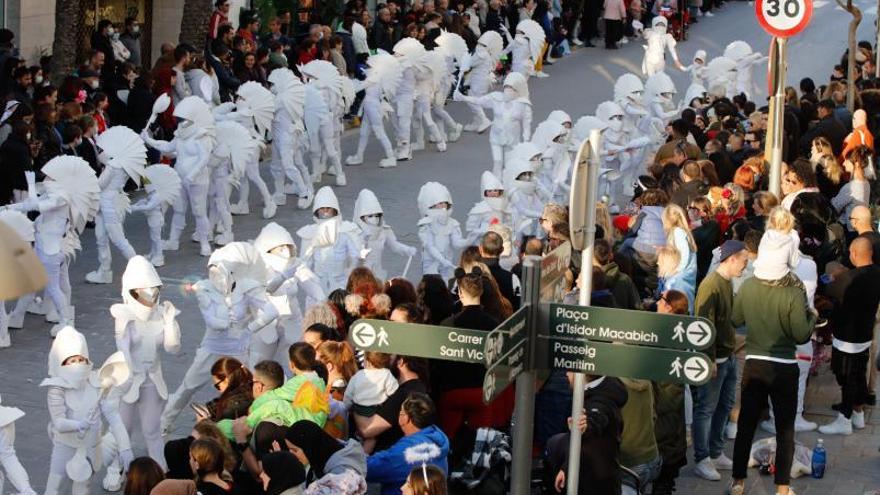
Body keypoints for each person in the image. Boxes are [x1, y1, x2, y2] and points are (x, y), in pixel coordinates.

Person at [729, 240, 817, 495]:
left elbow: (736, 319)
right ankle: (782, 488)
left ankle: (738, 482)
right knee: (785, 429)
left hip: (755, 363)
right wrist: (811, 315)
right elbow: (801, 335)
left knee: (746, 423)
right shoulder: (792, 292)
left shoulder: (748, 286)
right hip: (785, 367)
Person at [102, 256, 182, 490]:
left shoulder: (161, 314)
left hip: (152, 379)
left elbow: (173, 348)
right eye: (144, 294)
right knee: (122, 428)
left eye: (154, 293)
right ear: (131, 292)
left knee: (152, 429)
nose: (151, 299)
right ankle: (116, 468)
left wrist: (170, 324)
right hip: (127, 381)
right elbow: (123, 351)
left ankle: (159, 470)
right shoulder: (124, 316)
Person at [42, 326, 134, 494]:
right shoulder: (57, 389)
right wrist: (79, 424)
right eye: (71, 361)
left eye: (80, 359)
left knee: (83, 488)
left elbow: (113, 416)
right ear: (60, 362)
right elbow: (59, 422)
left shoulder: (97, 382)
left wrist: (125, 448)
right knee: (53, 487)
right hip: (65, 445)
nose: (77, 364)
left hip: (90, 447)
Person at [691, 240, 748, 481]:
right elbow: (702, 324)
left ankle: (715, 451)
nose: (745, 266)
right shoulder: (711, 285)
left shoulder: (726, 282)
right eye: (744, 261)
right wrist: (708, 358)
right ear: (732, 258)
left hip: (729, 355)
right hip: (715, 359)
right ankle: (702, 458)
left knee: (725, 405)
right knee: (705, 408)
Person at [819, 237, 880, 435]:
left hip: (846, 335)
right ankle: (858, 413)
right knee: (858, 372)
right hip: (865, 332)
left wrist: (832, 276)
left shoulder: (849, 278)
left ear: (854, 254)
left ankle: (844, 419)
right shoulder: (877, 273)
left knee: (845, 374)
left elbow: (822, 285)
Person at [544, 373, 628, 495]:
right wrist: (566, 467)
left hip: (596, 484)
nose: (567, 374)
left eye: (571, 369)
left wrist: (584, 426)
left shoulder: (601, 401)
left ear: (582, 375)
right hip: (596, 476)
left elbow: (596, 419)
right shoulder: (606, 385)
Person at [83, 126, 146, 284]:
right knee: (101, 237)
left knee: (118, 239)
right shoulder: (123, 164)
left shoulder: (114, 165)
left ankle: (142, 270)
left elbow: (100, 184)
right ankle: (104, 271)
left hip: (108, 203)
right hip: (107, 203)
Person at [367, 393, 449, 495]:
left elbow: (368, 469)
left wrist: (362, 449)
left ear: (405, 418)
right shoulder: (438, 439)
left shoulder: (408, 451)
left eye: (401, 412)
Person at [652, 289, 690, 495]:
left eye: (661, 299)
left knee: (663, 483)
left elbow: (669, 396)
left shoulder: (670, 338)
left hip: (665, 429)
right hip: (669, 433)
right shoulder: (673, 334)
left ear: (669, 306)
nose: (657, 302)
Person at [284, 420, 368, 492]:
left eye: (294, 450)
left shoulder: (342, 473)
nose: (291, 454)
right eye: (289, 449)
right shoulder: (319, 457)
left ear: (308, 447)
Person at [832, 145, 871, 231]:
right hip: (860, 228)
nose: (843, 163)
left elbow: (834, 207)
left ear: (856, 164)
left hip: (850, 231)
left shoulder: (851, 187)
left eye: (846, 160)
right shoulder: (866, 183)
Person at [204, 357, 253, 422]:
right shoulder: (252, 389)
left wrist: (204, 421)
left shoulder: (230, 408)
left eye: (217, 386)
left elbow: (218, 429)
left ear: (227, 380)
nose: (218, 390)